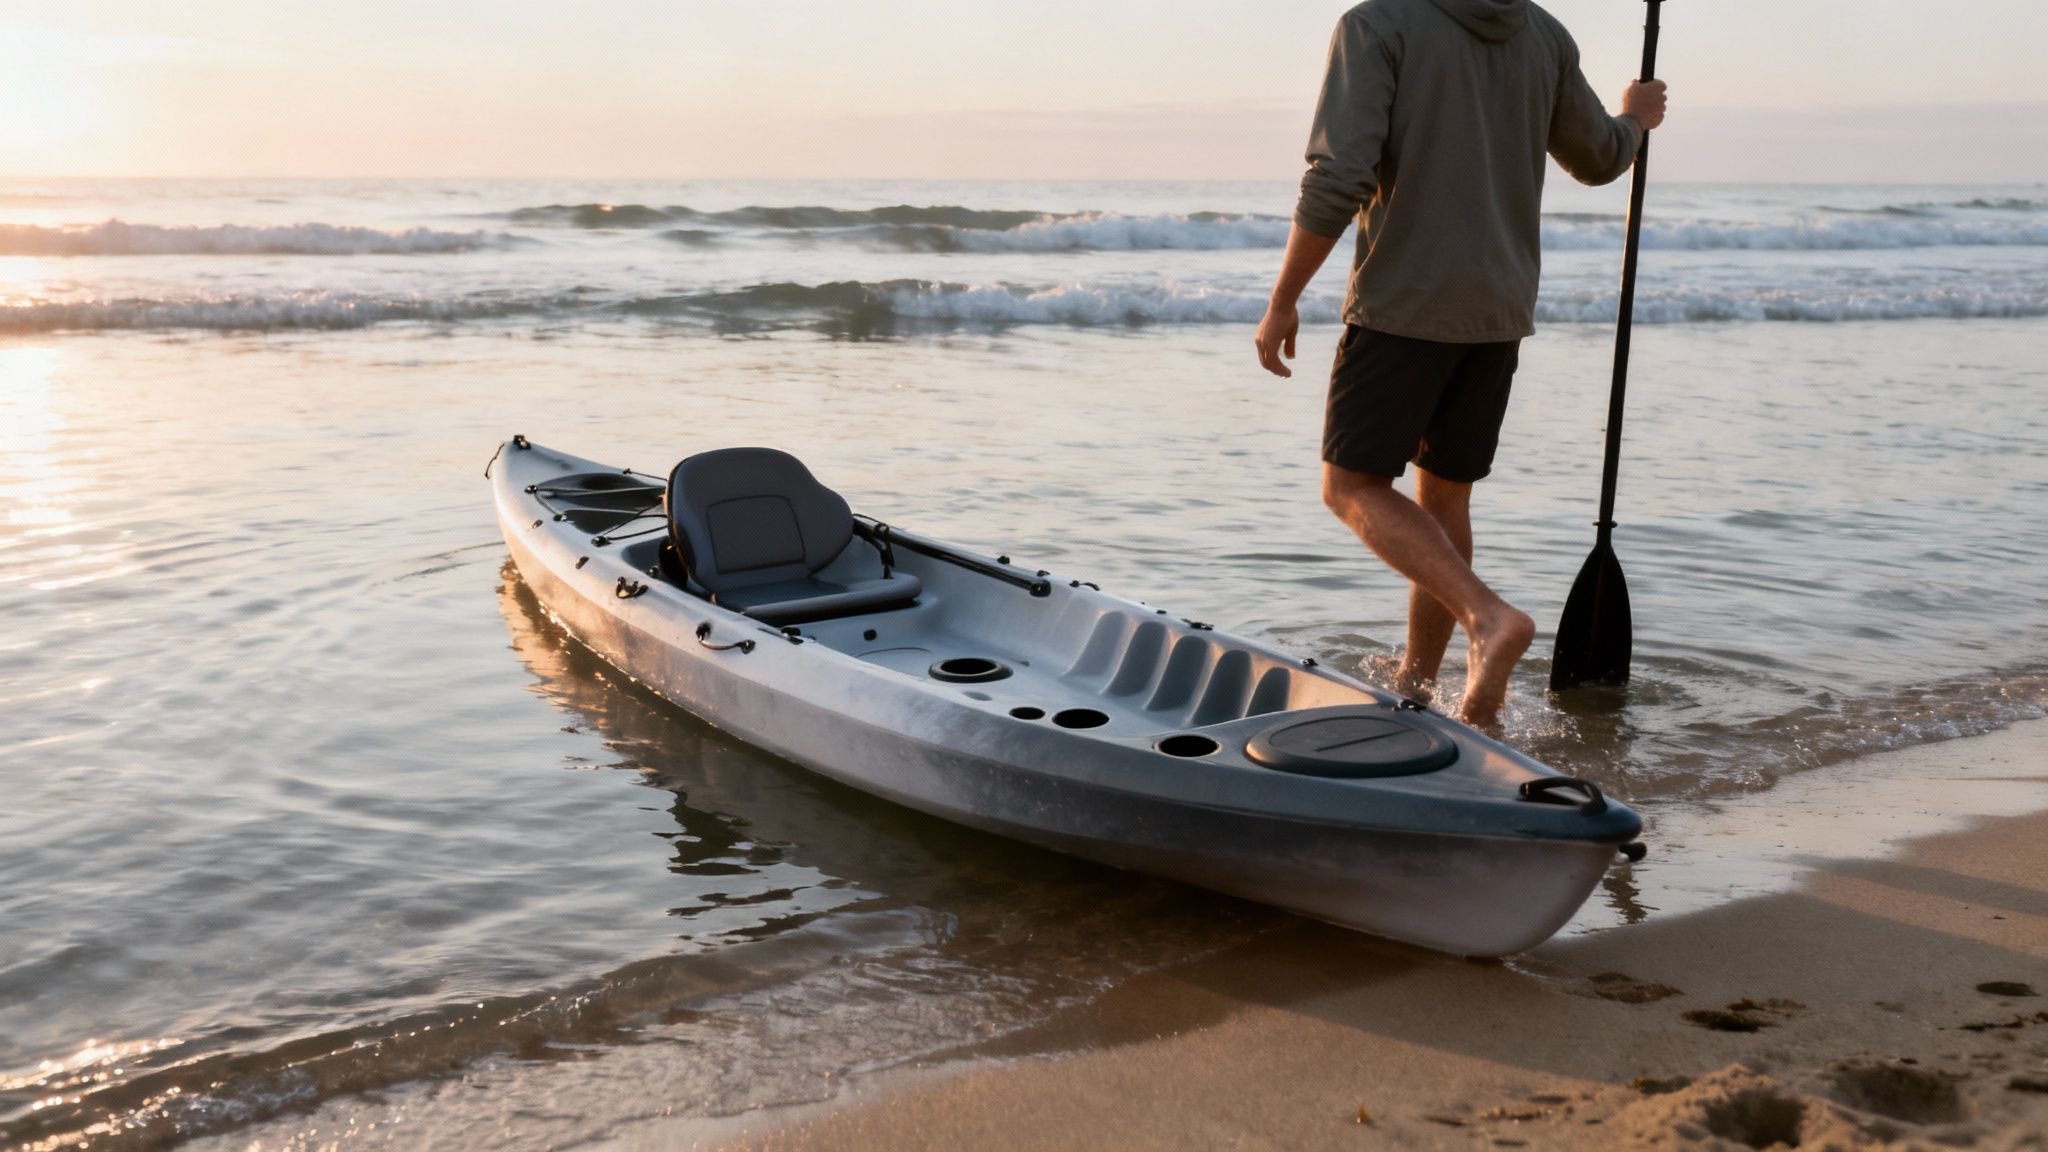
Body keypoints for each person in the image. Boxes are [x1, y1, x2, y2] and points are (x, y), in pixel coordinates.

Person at [1254, 0, 1667, 728]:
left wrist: (1284, 297)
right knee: (1443, 500)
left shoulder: (1377, 25)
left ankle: (1487, 619)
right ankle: (1418, 681)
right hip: (1497, 311)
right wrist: (1634, 119)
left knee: (1350, 486)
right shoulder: (1540, 32)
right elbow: (1601, 157)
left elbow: (1336, 173)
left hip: (1405, 304)